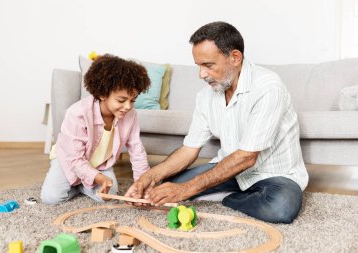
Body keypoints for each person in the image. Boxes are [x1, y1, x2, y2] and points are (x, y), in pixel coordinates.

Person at [125, 21, 309, 224]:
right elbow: (189, 149)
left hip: (274, 175)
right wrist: (150, 177)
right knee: (165, 187)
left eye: (208, 65)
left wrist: (188, 189)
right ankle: (223, 191)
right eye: (199, 66)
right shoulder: (205, 96)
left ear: (235, 58)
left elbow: (247, 157)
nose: (201, 74)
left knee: (281, 209)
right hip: (228, 171)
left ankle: (229, 198)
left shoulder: (268, 87)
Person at [41, 54, 151, 205]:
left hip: (100, 165)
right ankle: (79, 183)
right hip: (69, 161)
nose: (128, 107)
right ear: (102, 94)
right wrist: (98, 178)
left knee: (109, 196)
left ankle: (82, 184)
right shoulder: (77, 113)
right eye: (121, 100)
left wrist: (141, 185)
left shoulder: (130, 115)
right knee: (51, 198)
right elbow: (74, 159)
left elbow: (137, 152)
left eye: (133, 100)